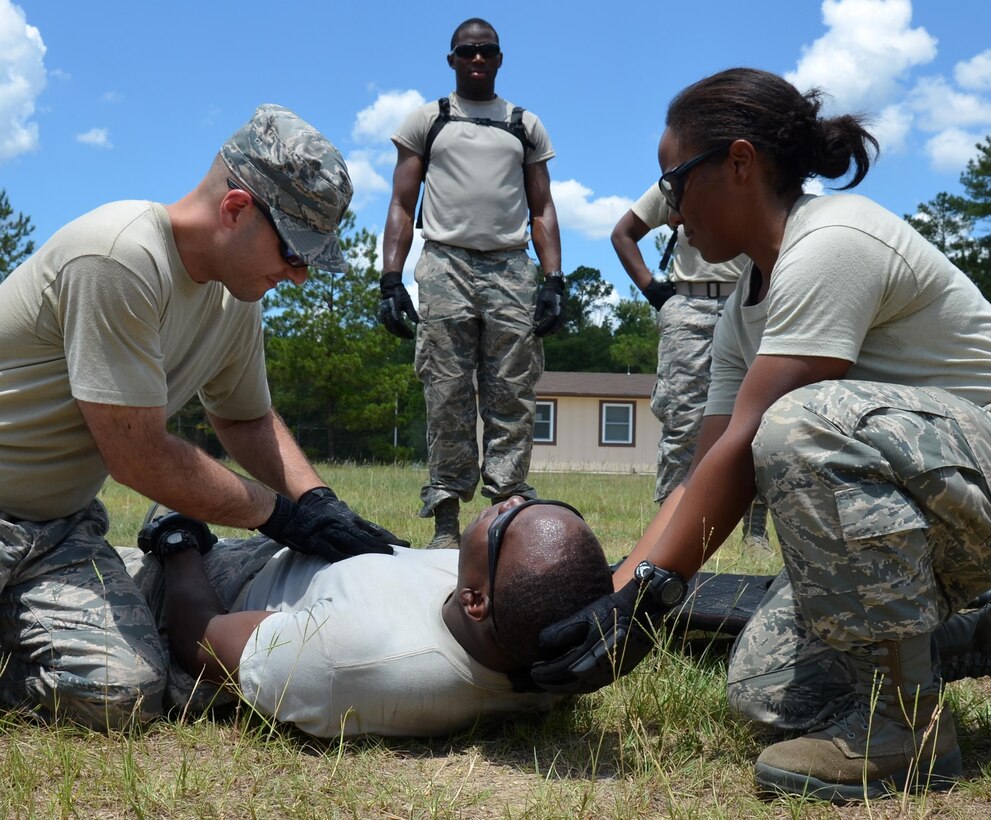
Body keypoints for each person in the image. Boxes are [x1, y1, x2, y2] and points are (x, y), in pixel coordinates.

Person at [529, 67, 991, 802]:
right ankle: (957, 638)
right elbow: (706, 472)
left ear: (739, 163)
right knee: (764, 685)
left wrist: (644, 598)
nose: (671, 212)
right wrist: (611, 604)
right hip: (941, 504)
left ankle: (907, 728)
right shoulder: (743, 308)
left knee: (798, 426)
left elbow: (750, 446)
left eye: (675, 182)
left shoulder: (833, 242)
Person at [0, 104, 405, 730]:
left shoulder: (233, 295)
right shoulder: (118, 257)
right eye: (293, 251)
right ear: (236, 208)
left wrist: (319, 501)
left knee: (124, 695)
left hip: (58, 530)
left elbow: (245, 420)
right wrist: (280, 515)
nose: (298, 276)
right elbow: (137, 454)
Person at [123, 496, 612, 738]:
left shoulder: (356, 655)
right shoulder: (556, 645)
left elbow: (199, 642)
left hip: (219, 583)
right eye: (536, 504)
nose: (512, 501)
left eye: (508, 522)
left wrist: (177, 537)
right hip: (315, 557)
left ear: (475, 601)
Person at [378, 17, 564, 550]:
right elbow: (400, 202)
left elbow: (542, 206)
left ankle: (508, 510)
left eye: (487, 51)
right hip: (444, 265)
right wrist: (391, 278)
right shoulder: (427, 121)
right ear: (452, 59)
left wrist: (554, 279)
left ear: (500, 59)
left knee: (512, 390)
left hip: (510, 266)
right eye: (467, 51)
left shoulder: (524, 124)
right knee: (447, 390)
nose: (477, 59)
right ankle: (444, 519)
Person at [611, 186, 769, 549]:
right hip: (688, 306)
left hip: (749, 302)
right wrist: (652, 290)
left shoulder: (758, 176)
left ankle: (755, 531)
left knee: (759, 419)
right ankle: (670, 526)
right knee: (682, 420)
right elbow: (623, 233)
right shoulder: (678, 181)